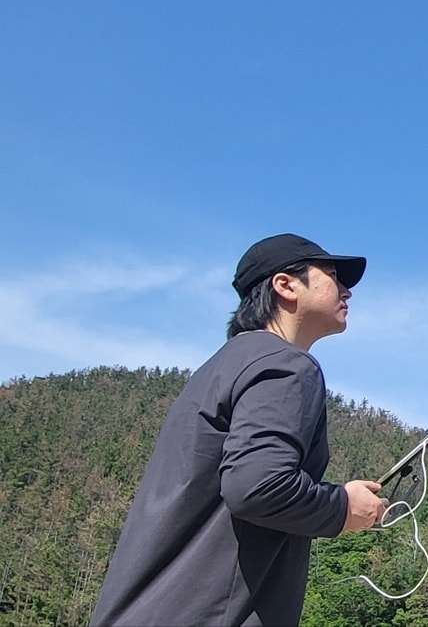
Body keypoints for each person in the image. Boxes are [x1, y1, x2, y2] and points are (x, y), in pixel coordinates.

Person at [90, 233, 388, 627]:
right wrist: (342, 507)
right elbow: (256, 487)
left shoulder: (220, 368)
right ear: (285, 285)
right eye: (333, 275)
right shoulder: (285, 365)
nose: (347, 290)